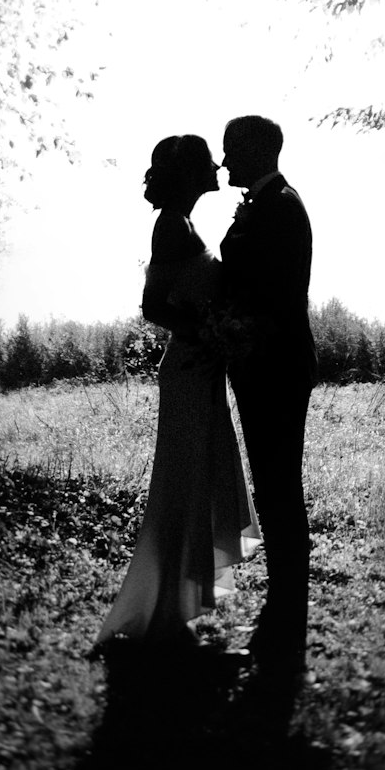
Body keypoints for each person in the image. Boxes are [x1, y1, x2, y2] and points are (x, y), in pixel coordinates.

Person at [93, 134, 260, 651]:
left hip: (200, 371)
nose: (217, 166)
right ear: (190, 174)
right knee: (183, 485)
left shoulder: (183, 224)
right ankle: (164, 607)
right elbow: (153, 306)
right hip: (189, 369)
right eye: (208, 160)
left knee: (198, 483)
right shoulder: (170, 226)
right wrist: (207, 331)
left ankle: (180, 606)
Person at [219, 115, 317, 678]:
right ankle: (280, 621)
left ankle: (285, 626)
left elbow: (272, 296)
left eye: (232, 148)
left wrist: (228, 325)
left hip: (274, 369)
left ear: (256, 151)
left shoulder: (281, 206)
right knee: (275, 485)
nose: (226, 159)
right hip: (263, 367)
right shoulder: (268, 202)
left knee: (280, 487)